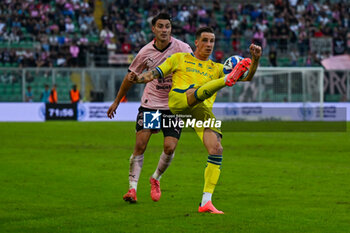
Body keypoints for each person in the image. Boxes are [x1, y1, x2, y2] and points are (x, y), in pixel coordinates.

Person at [131, 27, 262, 214]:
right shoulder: (179, 58)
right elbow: (154, 74)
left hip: (199, 111)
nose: (209, 45)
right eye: (206, 40)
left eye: (212, 41)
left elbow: (247, 77)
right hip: (176, 102)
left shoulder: (216, 67)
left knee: (215, 149)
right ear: (197, 42)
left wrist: (255, 60)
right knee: (143, 143)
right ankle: (132, 186)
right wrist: (137, 79)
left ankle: (205, 202)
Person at [106, 13, 193, 203]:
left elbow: (194, 71)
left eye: (167, 26)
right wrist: (116, 101)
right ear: (153, 29)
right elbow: (130, 77)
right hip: (151, 104)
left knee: (169, 148)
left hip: (173, 106)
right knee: (140, 145)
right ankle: (132, 189)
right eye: (160, 26)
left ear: (171, 28)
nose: (164, 30)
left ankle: (156, 178)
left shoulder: (183, 48)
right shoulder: (145, 52)